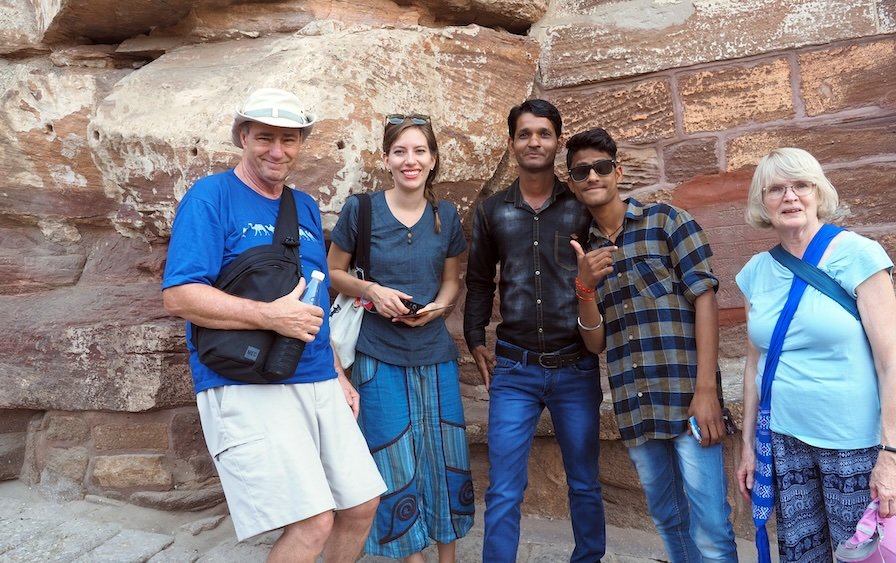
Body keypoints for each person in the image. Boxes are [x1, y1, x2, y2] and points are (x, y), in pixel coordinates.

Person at [162, 87, 385, 562]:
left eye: (289, 139)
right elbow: (178, 296)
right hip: (244, 381)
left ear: (302, 142)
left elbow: (314, 296)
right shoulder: (211, 197)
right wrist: (267, 316)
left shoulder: (302, 205)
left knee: (361, 504)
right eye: (265, 137)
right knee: (311, 523)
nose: (277, 151)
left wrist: (339, 375)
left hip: (315, 376)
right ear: (243, 136)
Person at [566, 128, 739, 563]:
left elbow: (706, 299)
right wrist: (585, 289)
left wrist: (706, 392)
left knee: (713, 528)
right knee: (666, 519)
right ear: (572, 182)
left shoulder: (667, 222)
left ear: (617, 171)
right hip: (635, 404)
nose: (592, 176)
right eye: (581, 171)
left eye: (601, 167)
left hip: (688, 400)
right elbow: (595, 343)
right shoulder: (583, 251)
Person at [734, 147, 896, 562]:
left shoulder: (859, 255)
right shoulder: (756, 272)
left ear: (818, 193)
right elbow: (756, 363)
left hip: (853, 442)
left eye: (801, 185)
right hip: (784, 439)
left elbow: (890, 363)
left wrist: (890, 457)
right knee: (800, 555)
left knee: (863, 556)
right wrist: (748, 447)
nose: (790, 197)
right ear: (763, 202)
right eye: (776, 189)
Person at [464, 100, 606, 563]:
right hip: (514, 368)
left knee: (584, 480)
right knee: (504, 487)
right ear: (512, 143)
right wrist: (474, 338)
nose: (534, 142)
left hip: (575, 367)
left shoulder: (581, 207)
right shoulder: (491, 212)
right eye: (524, 134)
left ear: (557, 141)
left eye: (543, 134)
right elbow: (481, 279)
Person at [328, 113, 473, 562]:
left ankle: (446, 557)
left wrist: (438, 309)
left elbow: (453, 280)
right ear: (386, 159)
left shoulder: (444, 216)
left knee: (445, 455)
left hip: (434, 353)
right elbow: (333, 273)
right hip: (377, 353)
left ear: (432, 160)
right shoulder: (362, 210)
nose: (410, 161)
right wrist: (371, 289)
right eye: (400, 151)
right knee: (392, 459)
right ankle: (411, 557)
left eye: (420, 151)